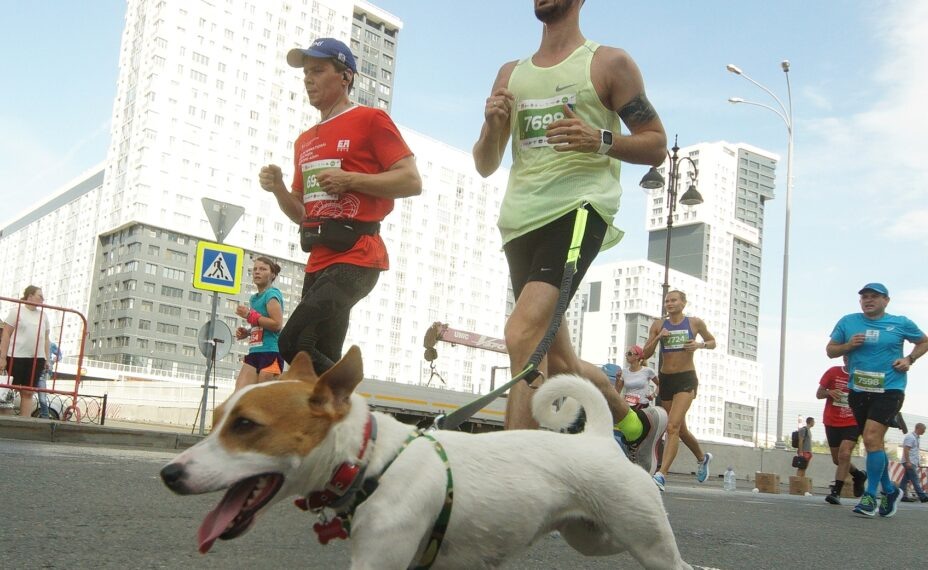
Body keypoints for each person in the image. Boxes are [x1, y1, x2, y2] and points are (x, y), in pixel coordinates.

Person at [471, 0, 668, 472]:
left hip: (579, 210)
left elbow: (656, 143)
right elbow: (484, 162)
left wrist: (599, 139)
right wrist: (493, 125)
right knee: (560, 364)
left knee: (521, 332)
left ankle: (513, 472)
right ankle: (639, 427)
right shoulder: (510, 73)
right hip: (520, 220)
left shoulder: (608, 63)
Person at [259, 38, 421, 374]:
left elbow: (411, 181)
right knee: (318, 355)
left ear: (345, 76)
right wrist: (278, 190)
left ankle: (353, 400)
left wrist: (350, 180)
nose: (308, 79)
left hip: (358, 255)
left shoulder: (371, 119)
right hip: (317, 259)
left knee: (293, 343)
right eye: (305, 73)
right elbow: (302, 213)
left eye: (318, 70)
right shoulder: (304, 140)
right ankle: (340, 414)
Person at [826, 282, 928, 517]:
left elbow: (924, 341)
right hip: (859, 390)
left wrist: (909, 359)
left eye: (874, 296)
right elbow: (831, 351)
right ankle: (890, 491)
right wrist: (848, 345)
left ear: (886, 301)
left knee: (871, 437)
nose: (868, 300)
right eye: (864, 297)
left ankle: (870, 496)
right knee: (874, 444)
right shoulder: (848, 322)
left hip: (890, 389)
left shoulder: (900, 323)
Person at [642, 290, 715, 491]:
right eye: (667, 301)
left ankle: (661, 475)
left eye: (674, 300)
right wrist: (658, 338)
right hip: (666, 380)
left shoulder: (694, 323)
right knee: (680, 429)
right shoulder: (658, 325)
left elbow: (712, 342)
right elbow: (644, 354)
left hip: (686, 379)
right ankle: (702, 458)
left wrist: (699, 345)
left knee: (672, 427)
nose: (669, 303)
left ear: (683, 303)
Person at [817, 356, 867, 505]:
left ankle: (836, 492)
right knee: (837, 459)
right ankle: (858, 475)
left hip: (852, 421)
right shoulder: (833, 372)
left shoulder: (862, 377)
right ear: (844, 359)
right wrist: (829, 392)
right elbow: (819, 393)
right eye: (848, 358)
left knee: (844, 453)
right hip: (832, 421)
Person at [233, 257, 285, 392]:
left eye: (262, 269)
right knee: (239, 395)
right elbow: (260, 323)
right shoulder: (254, 298)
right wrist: (248, 332)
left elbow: (277, 324)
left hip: (270, 352)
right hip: (254, 352)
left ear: (272, 274)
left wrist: (249, 316)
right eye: (255, 269)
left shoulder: (271, 294)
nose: (257, 272)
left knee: (263, 398)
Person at [0, 286, 51, 418]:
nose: (43, 299)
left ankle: (24, 422)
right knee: (8, 390)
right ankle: (5, 421)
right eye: (40, 296)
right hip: (16, 356)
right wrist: (2, 357)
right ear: (30, 296)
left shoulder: (44, 315)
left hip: (36, 359)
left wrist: (47, 358)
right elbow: (6, 334)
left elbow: (46, 339)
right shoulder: (16, 312)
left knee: (28, 392)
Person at [616, 345, 658, 410]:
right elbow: (617, 392)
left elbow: (660, 384)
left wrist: (654, 395)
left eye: (629, 353)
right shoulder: (623, 371)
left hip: (642, 406)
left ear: (637, 356)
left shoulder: (647, 371)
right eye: (626, 353)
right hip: (628, 407)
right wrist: (617, 379)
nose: (626, 355)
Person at [899, 422, 928, 503]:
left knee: (905, 480)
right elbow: (906, 449)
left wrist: (916, 462)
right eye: (924, 429)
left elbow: (914, 451)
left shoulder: (917, 438)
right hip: (909, 462)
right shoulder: (910, 437)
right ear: (918, 428)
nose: (924, 431)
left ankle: (901, 495)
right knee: (915, 479)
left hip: (912, 462)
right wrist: (908, 462)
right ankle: (922, 496)